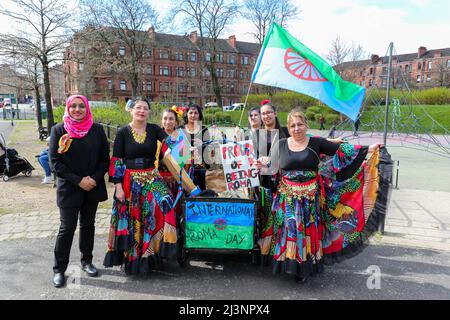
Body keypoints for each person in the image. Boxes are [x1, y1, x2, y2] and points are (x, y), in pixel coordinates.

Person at [256, 108, 383, 282]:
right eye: (292, 125)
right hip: (287, 199)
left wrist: (369, 149)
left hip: (310, 199)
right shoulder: (281, 144)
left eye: (300, 124)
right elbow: (270, 167)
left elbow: (343, 151)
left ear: (306, 125)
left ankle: (302, 269)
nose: (296, 128)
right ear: (288, 127)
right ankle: (290, 264)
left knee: (307, 231)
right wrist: (262, 165)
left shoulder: (316, 142)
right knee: (290, 230)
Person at [103, 98, 176, 275]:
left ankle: (155, 253)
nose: (142, 111)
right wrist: (118, 187)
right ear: (131, 110)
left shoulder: (154, 129)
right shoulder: (122, 132)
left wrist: (189, 147)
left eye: (145, 108)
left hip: (152, 176)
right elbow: (117, 162)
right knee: (134, 219)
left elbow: (172, 143)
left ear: (149, 112)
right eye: (138, 108)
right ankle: (135, 259)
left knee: (166, 206)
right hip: (129, 179)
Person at [49, 95, 110, 288]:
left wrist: (93, 179)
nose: (77, 109)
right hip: (69, 188)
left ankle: (86, 261)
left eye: (81, 106)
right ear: (68, 108)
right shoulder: (59, 129)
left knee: (88, 225)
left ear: (87, 108)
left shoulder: (97, 129)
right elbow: (55, 162)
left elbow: (104, 159)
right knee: (67, 228)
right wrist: (78, 181)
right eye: (73, 106)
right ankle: (59, 269)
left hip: (92, 186)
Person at [179, 104, 210, 191]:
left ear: (199, 115)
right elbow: (176, 150)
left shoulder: (204, 130)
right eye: (191, 113)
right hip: (184, 169)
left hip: (199, 169)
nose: (193, 115)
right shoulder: (180, 129)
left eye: (196, 113)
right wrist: (187, 149)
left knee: (200, 195)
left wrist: (202, 145)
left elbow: (208, 152)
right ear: (186, 115)